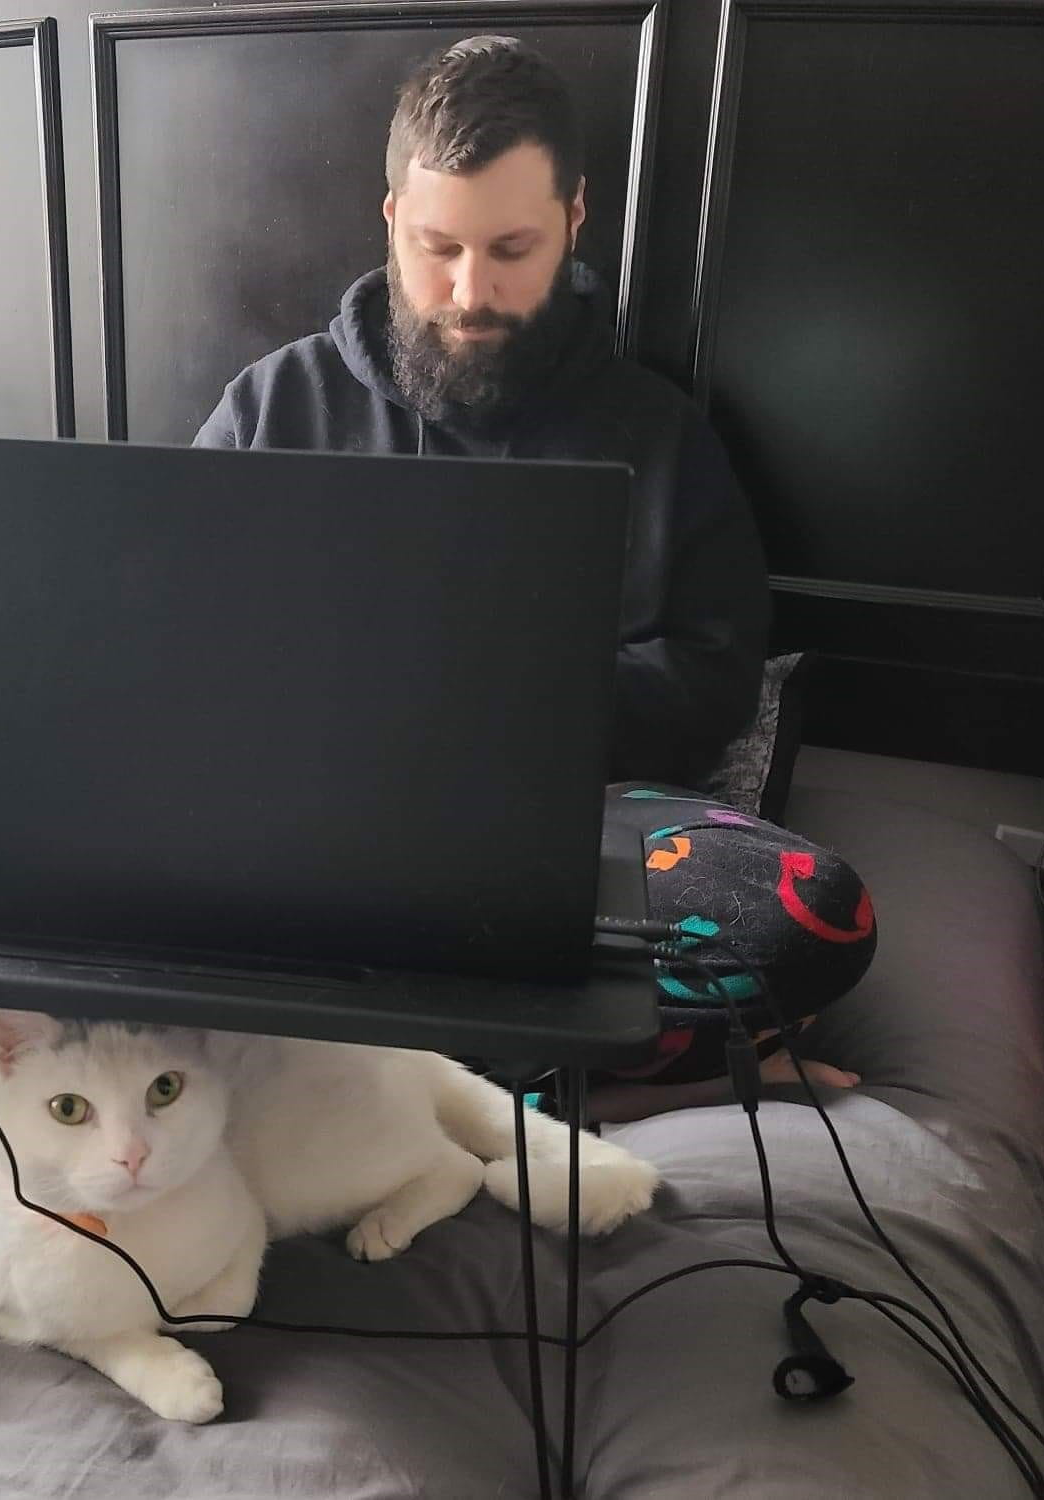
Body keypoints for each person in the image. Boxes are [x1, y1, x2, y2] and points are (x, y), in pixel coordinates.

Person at [196, 35, 872, 1119]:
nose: (470, 292)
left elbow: (706, 678)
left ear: (572, 220)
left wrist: (494, 719)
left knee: (808, 915)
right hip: (318, 830)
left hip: (558, 831)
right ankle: (576, 1084)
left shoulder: (658, 435)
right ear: (389, 224)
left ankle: (383, 1069)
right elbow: (183, 644)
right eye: (437, 249)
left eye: (510, 247)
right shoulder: (269, 409)